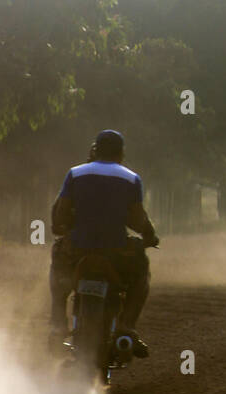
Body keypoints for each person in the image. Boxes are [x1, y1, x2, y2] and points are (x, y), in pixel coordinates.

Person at [48, 130, 159, 356]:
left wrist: (62, 227)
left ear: (95, 150)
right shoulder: (131, 178)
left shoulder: (75, 173)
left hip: (77, 251)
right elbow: (138, 219)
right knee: (141, 273)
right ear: (121, 153)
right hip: (116, 254)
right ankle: (126, 327)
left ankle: (58, 325)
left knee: (58, 274)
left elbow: (60, 213)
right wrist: (149, 236)